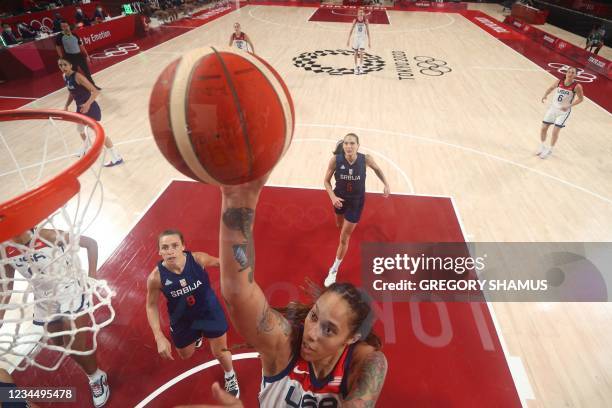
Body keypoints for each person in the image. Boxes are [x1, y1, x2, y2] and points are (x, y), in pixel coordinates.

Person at [202, 174, 388, 406]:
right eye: (314, 316)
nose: (311, 333)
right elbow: (238, 294)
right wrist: (237, 200)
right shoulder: (285, 345)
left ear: (351, 338)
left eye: (329, 330)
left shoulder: (366, 364)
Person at [0, 228, 110, 407]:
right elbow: (6, 287)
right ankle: (90, 367)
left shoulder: (46, 235)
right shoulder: (4, 248)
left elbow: (91, 244)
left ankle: (96, 377)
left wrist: (92, 277)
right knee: (59, 343)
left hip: (69, 291)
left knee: (75, 345)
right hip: (44, 298)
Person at [145, 230, 240, 397]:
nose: (170, 251)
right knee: (185, 355)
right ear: (159, 251)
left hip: (208, 312)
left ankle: (230, 374)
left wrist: (237, 262)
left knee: (220, 351)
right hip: (182, 319)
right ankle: (197, 335)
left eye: (175, 245)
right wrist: (159, 336)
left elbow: (220, 263)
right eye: (165, 247)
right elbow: (151, 306)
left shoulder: (197, 259)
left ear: (183, 246)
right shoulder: (156, 277)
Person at [324, 133, 390, 287]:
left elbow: (378, 169)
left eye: (352, 143)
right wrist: (333, 197)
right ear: (343, 145)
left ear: (358, 146)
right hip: (339, 199)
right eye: (346, 143)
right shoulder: (336, 160)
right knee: (339, 226)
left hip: (356, 202)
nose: (349, 146)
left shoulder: (365, 159)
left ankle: (333, 270)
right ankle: (343, 231)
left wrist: (386, 183)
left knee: (343, 238)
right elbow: (326, 181)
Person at [58, 58, 124, 167]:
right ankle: (87, 146)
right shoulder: (65, 76)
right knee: (79, 129)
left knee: (100, 134)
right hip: (80, 108)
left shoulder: (78, 77)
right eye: (60, 65)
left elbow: (95, 91)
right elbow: (71, 92)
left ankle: (116, 157)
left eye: (65, 64)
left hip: (90, 107)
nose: (63, 67)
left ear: (70, 65)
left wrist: (88, 104)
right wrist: (66, 105)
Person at [537, 66, 584, 159]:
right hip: (553, 109)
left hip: (563, 112)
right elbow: (551, 88)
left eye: (573, 73)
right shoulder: (559, 81)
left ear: (575, 75)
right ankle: (542, 146)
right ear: (566, 73)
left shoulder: (577, 86)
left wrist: (569, 106)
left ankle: (550, 150)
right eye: (569, 72)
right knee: (543, 128)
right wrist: (545, 95)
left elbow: (581, 99)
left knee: (555, 132)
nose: (570, 74)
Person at [55, 21, 101, 90]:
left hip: (79, 56)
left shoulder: (74, 34)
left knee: (87, 72)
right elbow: (58, 47)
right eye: (63, 26)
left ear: (68, 26)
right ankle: (80, 88)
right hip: (70, 57)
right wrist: (61, 58)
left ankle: (93, 86)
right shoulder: (59, 36)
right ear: (61, 28)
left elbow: (81, 45)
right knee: (75, 75)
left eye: (66, 26)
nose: (65, 27)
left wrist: (86, 55)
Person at [346, 8, 370, 75]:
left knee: (362, 52)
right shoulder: (355, 20)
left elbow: (368, 31)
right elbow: (351, 30)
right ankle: (356, 67)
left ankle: (361, 67)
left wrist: (369, 41)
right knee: (356, 53)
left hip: (362, 39)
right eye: (360, 12)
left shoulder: (366, 20)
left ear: (364, 13)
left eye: (362, 12)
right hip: (356, 39)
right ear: (358, 13)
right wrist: (348, 39)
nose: (361, 13)